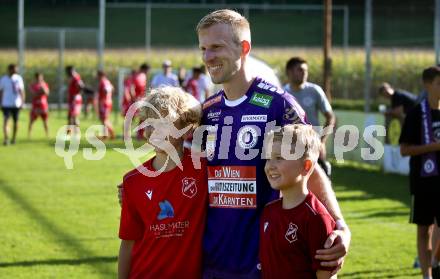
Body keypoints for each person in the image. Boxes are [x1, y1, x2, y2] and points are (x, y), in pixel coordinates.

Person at [197, 9, 349, 278]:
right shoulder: (207, 112)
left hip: (265, 262)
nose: (208, 57)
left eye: (216, 47)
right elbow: (191, 175)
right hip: (213, 263)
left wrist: (339, 224)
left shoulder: (278, 105)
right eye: (204, 49)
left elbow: (310, 167)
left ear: (244, 48)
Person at [118, 86, 207, 278]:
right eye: (149, 123)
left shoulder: (204, 168)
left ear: (185, 131)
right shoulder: (133, 182)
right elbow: (128, 242)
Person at [260, 124, 336, 279]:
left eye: (279, 158)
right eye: (268, 158)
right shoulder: (268, 211)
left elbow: (326, 276)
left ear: (306, 166)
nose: (270, 166)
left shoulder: (316, 218)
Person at [400, 66, 440, 279]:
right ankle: (427, 275)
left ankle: (435, 260)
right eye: (439, 83)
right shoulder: (417, 113)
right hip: (423, 182)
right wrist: (433, 147)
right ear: (427, 85)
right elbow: (404, 149)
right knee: (424, 230)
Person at [284, 57, 335, 177]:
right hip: (290, 146)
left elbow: (330, 117)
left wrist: (322, 141)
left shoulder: (314, 90)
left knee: (319, 182)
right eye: (300, 70)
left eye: (306, 70)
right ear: (289, 72)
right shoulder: (282, 93)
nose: (304, 73)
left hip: (314, 144)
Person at [0, 64, 25, 145]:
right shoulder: (3, 79)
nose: (16, 71)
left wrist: (22, 102)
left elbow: (21, 91)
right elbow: (1, 91)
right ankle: (6, 138)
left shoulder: (18, 78)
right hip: (6, 103)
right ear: (10, 69)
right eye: (14, 69)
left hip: (16, 103)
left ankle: (13, 138)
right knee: (6, 121)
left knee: (16, 122)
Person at [28, 72, 49, 138]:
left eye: (41, 77)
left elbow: (47, 93)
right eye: (38, 77)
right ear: (36, 78)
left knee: (45, 121)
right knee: (31, 120)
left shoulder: (44, 84)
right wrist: (40, 92)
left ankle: (47, 135)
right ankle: (29, 135)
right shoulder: (32, 85)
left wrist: (43, 89)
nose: (40, 79)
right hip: (35, 106)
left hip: (43, 106)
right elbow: (33, 94)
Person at [133, 63, 151, 140]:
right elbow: (132, 87)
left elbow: (143, 89)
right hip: (137, 100)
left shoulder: (143, 76)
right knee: (137, 117)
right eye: (148, 70)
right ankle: (137, 135)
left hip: (141, 99)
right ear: (145, 69)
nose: (148, 72)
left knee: (143, 117)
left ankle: (140, 135)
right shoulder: (138, 76)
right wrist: (134, 98)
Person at [65, 65, 84, 135]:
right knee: (70, 116)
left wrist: (76, 94)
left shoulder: (76, 77)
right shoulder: (73, 77)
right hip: (72, 99)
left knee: (74, 117)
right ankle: (68, 133)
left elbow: (81, 86)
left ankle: (77, 133)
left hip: (74, 99)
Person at [96, 70, 115, 140]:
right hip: (108, 102)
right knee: (103, 119)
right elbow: (112, 88)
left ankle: (112, 133)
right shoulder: (108, 82)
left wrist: (104, 99)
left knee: (104, 120)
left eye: (97, 75)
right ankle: (105, 135)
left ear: (100, 75)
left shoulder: (103, 82)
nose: (96, 77)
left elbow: (105, 91)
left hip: (104, 103)